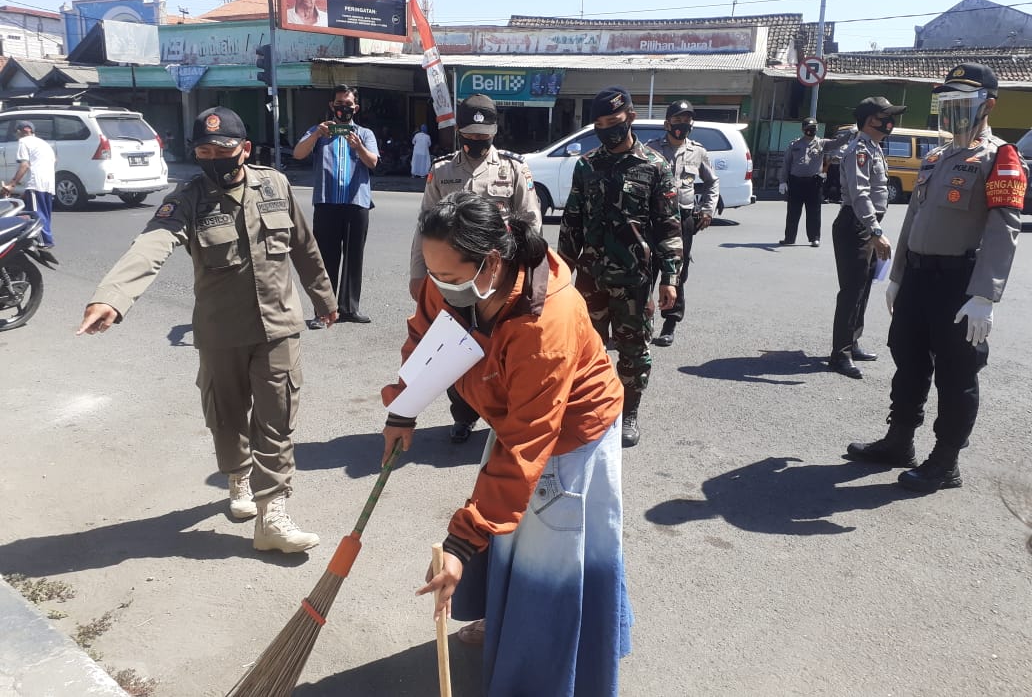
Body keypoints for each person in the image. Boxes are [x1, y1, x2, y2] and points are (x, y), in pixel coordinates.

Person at [382, 191, 631, 697]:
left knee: (550, 561)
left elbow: (526, 446)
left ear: (492, 262)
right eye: (432, 274)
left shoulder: (546, 323)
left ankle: (548, 671)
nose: (438, 288)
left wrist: (458, 543)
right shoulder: (454, 282)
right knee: (510, 534)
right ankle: (504, 624)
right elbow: (427, 337)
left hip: (568, 436)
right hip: (514, 417)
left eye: (450, 277)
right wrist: (403, 408)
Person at [76, 106, 337, 553]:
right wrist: (112, 296)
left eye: (223, 149)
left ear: (245, 150)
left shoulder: (274, 184)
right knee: (227, 416)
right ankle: (238, 477)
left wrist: (324, 298)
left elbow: (304, 245)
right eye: (204, 149)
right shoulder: (190, 198)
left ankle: (272, 513)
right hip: (221, 333)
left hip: (279, 327)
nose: (214, 156)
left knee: (276, 421)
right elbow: (153, 242)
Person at [846, 63, 1028, 493]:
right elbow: (914, 219)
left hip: (959, 283)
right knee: (907, 360)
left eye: (961, 101)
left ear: (988, 105)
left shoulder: (999, 157)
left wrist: (985, 295)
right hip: (919, 280)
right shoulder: (936, 156)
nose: (951, 110)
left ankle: (945, 461)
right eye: (945, 101)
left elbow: (1005, 228)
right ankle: (899, 441)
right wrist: (897, 275)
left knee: (956, 372)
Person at [408, 93, 542, 443]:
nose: (477, 143)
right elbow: (425, 225)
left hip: (500, 280)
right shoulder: (442, 172)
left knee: (505, 350)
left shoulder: (512, 169)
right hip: (454, 279)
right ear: (459, 134)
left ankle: (506, 415)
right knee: (456, 348)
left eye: (483, 137)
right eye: (470, 136)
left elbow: (531, 222)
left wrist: (530, 276)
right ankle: (463, 414)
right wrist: (418, 274)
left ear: (494, 132)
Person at [557, 86, 682, 448]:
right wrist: (560, 273)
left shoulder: (654, 167)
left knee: (633, 350)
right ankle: (587, 408)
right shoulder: (587, 166)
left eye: (613, 122)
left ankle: (629, 411)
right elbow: (572, 223)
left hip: (635, 281)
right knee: (584, 348)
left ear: (631, 117)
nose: (607, 130)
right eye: (599, 124)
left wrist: (670, 279)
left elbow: (668, 227)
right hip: (590, 280)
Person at [828, 97, 903, 379]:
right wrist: (875, 231)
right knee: (851, 291)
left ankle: (852, 341)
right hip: (855, 225)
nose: (889, 122)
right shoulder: (858, 150)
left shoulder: (873, 148)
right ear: (869, 119)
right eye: (885, 117)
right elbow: (860, 195)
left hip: (866, 225)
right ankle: (840, 354)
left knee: (864, 287)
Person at [293, 85, 379, 327]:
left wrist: (358, 147)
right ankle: (324, 312)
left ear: (356, 108)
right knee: (325, 259)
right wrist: (316, 135)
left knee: (354, 258)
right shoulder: (319, 131)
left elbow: (372, 162)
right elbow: (299, 154)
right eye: (339, 104)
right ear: (332, 106)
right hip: (326, 203)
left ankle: (349, 308)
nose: (344, 109)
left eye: (348, 105)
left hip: (356, 203)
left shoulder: (365, 134)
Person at [644, 100, 719, 347]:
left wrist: (707, 210)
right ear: (667, 123)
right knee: (647, 268)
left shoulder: (698, 152)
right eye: (677, 120)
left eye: (687, 120)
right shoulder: (651, 150)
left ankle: (670, 323)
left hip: (683, 219)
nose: (682, 125)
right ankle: (645, 320)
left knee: (677, 271)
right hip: (653, 217)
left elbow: (712, 182)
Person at [778, 117, 855, 247]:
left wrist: (850, 133)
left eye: (813, 128)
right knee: (793, 211)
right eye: (808, 128)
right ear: (803, 129)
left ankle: (814, 238)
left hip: (813, 183)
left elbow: (838, 142)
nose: (810, 131)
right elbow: (786, 164)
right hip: (796, 182)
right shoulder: (794, 144)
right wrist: (782, 181)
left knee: (814, 211)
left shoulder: (822, 143)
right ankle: (789, 238)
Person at [2, 121, 56, 248]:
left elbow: (25, 165)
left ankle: (44, 241)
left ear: (19, 132)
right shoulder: (43, 143)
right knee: (44, 213)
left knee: (36, 213)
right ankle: (46, 239)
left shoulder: (23, 142)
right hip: (48, 183)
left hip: (36, 182)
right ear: (32, 131)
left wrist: (12, 184)